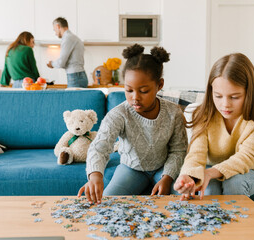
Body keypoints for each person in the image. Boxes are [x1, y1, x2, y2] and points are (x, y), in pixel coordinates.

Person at [78, 44, 188, 204]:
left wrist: (168, 177)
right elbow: (99, 148)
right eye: (129, 90)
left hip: (163, 168)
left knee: (186, 200)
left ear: (160, 85)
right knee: (107, 204)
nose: (135, 97)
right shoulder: (118, 114)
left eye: (143, 91)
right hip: (131, 169)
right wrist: (95, 175)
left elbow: (179, 149)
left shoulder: (174, 113)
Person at [174, 53, 254, 200]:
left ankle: (235, 223)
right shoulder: (204, 112)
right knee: (208, 187)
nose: (225, 105)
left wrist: (209, 173)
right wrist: (187, 176)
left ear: (249, 92)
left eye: (234, 97)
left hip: (252, 169)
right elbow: (196, 153)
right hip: (214, 169)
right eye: (218, 96)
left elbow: (246, 157)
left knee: (234, 183)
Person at [47, 17, 88, 88]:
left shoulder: (67, 38)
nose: (55, 33)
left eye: (54, 30)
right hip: (80, 75)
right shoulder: (75, 38)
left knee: (73, 99)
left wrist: (52, 64)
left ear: (58, 26)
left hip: (75, 77)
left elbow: (61, 63)